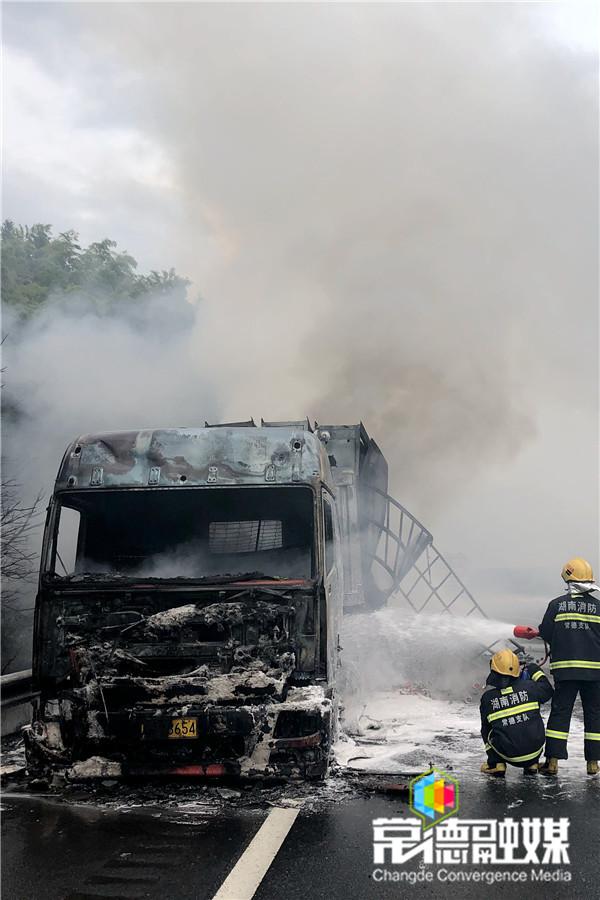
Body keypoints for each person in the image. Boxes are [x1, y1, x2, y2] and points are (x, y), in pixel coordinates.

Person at [538, 557, 600, 776]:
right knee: (594, 714)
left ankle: (552, 761)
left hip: (566, 671)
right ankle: (593, 763)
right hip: (595, 673)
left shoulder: (557, 605)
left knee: (560, 713)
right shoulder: (599, 607)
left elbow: (545, 632)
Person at [480, 648, 553, 776]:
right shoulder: (530, 688)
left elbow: (487, 729)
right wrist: (535, 670)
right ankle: (532, 764)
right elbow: (547, 689)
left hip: (510, 755)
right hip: (535, 751)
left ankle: (497, 764)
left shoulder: (488, 698)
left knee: (487, 728)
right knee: (530, 720)